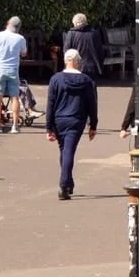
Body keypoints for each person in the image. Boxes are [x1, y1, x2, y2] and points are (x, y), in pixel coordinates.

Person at [44, 49, 98, 200]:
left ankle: (68, 182)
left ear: (66, 61)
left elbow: (51, 104)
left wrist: (48, 127)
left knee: (64, 150)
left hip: (59, 119)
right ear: (78, 62)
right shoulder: (86, 81)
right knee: (68, 151)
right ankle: (64, 184)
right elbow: (92, 104)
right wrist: (93, 125)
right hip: (76, 119)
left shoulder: (56, 79)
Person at [0, 16, 29, 133]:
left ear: (7, 24)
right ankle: (15, 126)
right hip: (13, 70)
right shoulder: (20, 38)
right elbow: (24, 53)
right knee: (14, 97)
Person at [63, 12, 107, 83]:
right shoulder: (95, 33)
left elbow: (66, 52)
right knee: (91, 90)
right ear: (85, 22)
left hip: (75, 67)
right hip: (91, 68)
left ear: (75, 23)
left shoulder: (71, 34)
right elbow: (100, 52)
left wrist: (67, 66)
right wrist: (100, 67)